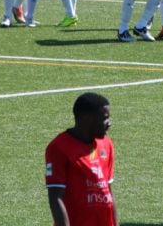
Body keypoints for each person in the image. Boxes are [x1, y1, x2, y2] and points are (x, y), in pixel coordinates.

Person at [45, 92, 117, 226]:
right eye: (104, 118)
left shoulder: (106, 144)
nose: (109, 123)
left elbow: (108, 192)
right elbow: (55, 198)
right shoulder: (59, 147)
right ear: (86, 118)